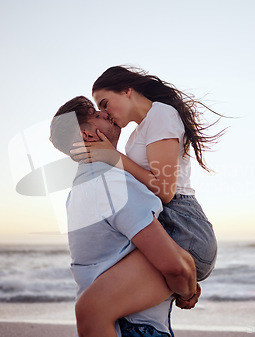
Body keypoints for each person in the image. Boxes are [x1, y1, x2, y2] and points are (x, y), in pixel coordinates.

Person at [50, 96, 201, 337]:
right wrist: (188, 291)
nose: (105, 113)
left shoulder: (80, 189)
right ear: (86, 136)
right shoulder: (111, 183)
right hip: (133, 327)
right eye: (96, 114)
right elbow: (175, 267)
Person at [71, 65, 220, 283]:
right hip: (167, 221)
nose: (105, 113)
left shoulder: (161, 114)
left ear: (126, 90)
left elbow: (165, 191)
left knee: (98, 296)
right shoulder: (139, 132)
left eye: (105, 104)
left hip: (183, 227)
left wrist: (114, 157)